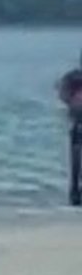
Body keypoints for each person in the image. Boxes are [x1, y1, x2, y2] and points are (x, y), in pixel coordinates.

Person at [58, 52, 82, 206]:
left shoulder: (72, 78)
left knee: (76, 162)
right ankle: (74, 195)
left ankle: (74, 196)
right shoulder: (73, 78)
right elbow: (63, 95)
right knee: (76, 162)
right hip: (78, 124)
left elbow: (62, 95)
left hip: (77, 123)